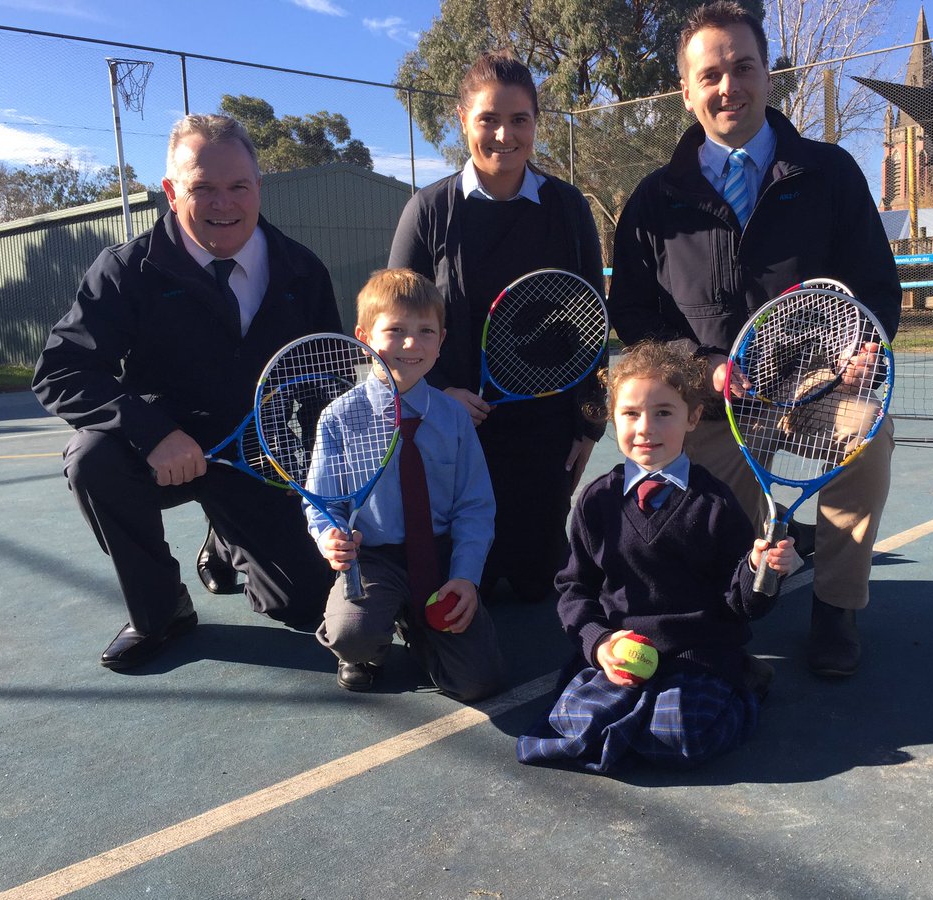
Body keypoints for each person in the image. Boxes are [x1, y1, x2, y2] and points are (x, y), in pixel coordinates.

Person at [606, 1, 901, 677]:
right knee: (716, 585)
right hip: (710, 405)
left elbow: (876, 289)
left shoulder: (829, 174)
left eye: (742, 67)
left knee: (870, 433)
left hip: (814, 393)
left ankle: (836, 608)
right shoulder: (653, 200)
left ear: (770, 76)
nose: (727, 86)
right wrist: (699, 369)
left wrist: (864, 352)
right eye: (709, 74)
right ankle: (740, 579)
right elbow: (635, 313)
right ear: (686, 91)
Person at [32, 114, 341, 670]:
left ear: (258, 188)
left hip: (258, 459)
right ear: (172, 192)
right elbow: (62, 370)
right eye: (203, 189)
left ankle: (226, 540)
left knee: (308, 607)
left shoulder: (302, 271)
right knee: (92, 458)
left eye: (237, 187)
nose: (223, 204)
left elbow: (329, 382)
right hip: (165, 453)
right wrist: (153, 432)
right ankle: (161, 609)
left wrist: (325, 480)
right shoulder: (127, 270)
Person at [516, 342, 800, 773]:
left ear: (692, 417)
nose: (646, 427)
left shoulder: (716, 503)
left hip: (697, 652)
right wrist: (600, 643)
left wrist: (761, 571)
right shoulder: (596, 501)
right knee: (571, 724)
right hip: (623, 648)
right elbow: (574, 590)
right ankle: (641, 713)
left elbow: (742, 604)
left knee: (680, 734)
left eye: (663, 412)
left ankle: (742, 683)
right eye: (631, 413)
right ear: (612, 418)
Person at [388, 51, 606, 605]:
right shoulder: (428, 210)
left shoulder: (567, 207)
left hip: (544, 428)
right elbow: (394, 327)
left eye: (519, 120)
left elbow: (591, 325)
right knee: (458, 586)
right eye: (488, 119)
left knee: (538, 584)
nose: (504, 135)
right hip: (455, 430)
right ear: (463, 119)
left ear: (536, 123)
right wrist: (438, 397)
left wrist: (586, 423)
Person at [309, 269, 506, 701]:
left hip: (440, 555)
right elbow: (322, 503)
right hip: (373, 558)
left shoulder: (454, 418)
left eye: (425, 332)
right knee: (352, 633)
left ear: (441, 340)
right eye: (395, 330)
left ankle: (418, 626)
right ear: (363, 336)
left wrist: (466, 577)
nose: (411, 344)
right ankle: (366, 648)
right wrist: (329, 536)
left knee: (478, 682)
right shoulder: (340, 417)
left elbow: (475, 507)